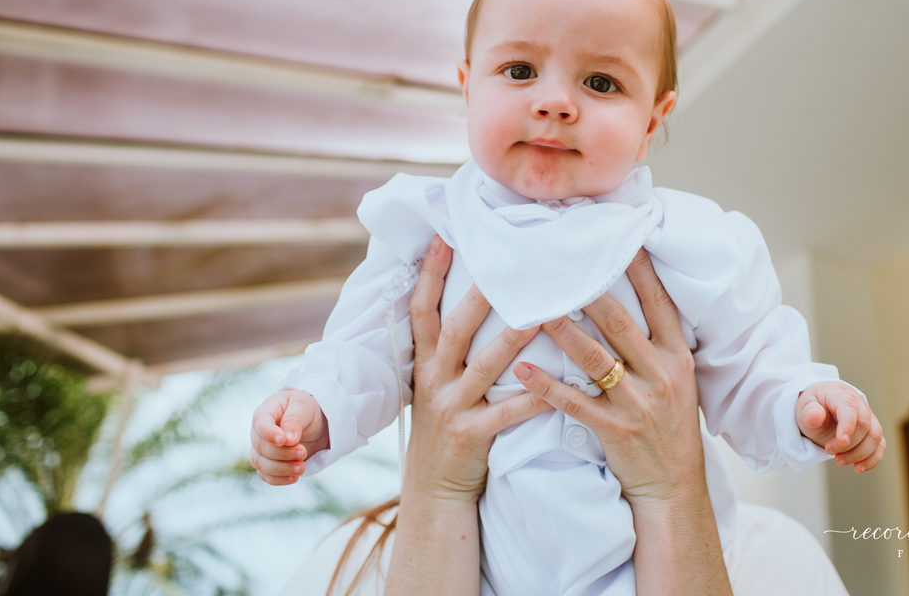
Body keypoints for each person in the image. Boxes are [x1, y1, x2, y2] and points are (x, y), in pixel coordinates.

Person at [250, 0, 884, 596]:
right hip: (481, 555)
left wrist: (803, 403)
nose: (555, 102)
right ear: (468, 86)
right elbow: (363, 351)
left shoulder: (687, 243)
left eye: (601, 82)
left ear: (653, 118)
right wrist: (312, 407)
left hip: (652, 561)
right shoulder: (428, 230)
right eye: (520, 71)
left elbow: (750, 362)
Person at [269, 239, 849, 595]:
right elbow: (362, 346)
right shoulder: (351, 562)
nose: (555, 103)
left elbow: (750, 349)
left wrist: (675, 492)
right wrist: (431, 486)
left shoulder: (769, 557)